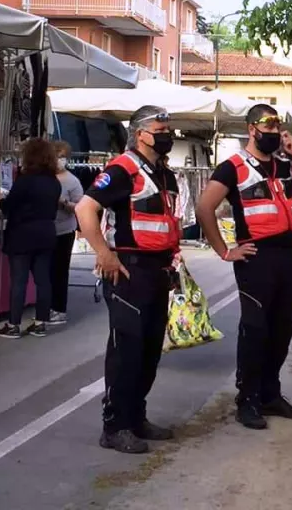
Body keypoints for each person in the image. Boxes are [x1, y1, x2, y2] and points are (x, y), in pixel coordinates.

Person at [196, 104, 292, 430]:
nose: (274, 136)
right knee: (255, 329)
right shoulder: (233, 167)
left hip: (287, 256)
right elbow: (204, 206)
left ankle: (270, 393)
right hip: (256, 258)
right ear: (252, 129)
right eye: (267, 130)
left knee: (282, 329)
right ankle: (247, 399)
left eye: (277, 131)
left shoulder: (283, 165)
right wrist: (225, 251)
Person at [74, 105, 180, 455]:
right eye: (160, 128)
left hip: (158, 271)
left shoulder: (164, 174)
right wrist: (104, 253)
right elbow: (84, 208)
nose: (167, 133)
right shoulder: (123, 169)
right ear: (140, 134)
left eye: (168, 127)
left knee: (149, 350)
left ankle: (136, 417)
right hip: (128, 271)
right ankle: (115, 426)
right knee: (126, 351)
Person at [0, 138, 61, 339]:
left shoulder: (25, 180)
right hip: (47, 231)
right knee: (43, 280)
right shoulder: (54, 182)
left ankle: (13, 324)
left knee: (19, 280)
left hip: (22, 233)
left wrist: (0, 200)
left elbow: (10, 207)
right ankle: (41, 322)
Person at [49, 140, 84, 325]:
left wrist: (63, 203)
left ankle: (59, 309)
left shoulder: (72, 181)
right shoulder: (45, 177)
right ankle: (47, 307)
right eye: (56, 156)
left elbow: (81, 208)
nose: (59, 160)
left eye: (62, 157)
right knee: (46, 271)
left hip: (64, 231)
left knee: (60, 271)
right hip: (46, 230)